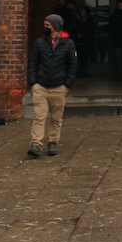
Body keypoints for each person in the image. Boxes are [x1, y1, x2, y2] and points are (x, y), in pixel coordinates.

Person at [26, 13, 77, 158]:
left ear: (56, 26)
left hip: (59, 86)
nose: (45, 27)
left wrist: (67, 84)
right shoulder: (40, 43)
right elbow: (33, 63)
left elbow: (72, 65)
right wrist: (33, 82)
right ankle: (36, 144)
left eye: (48, 25)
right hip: (41, 86)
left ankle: (53, 142)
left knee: (56, 118)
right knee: (39, 116)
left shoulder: (68, 44)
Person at [68, 3, 95, 78]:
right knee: (79, 56)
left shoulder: (89, 20)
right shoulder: (78, 20)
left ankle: (84, 69)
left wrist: (84, 35)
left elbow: (91, 30)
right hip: (79, 41)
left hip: (86, 40)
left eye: (83, 11)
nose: (81, 12)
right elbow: (75, 28)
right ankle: (81, 70)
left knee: (85, 56)